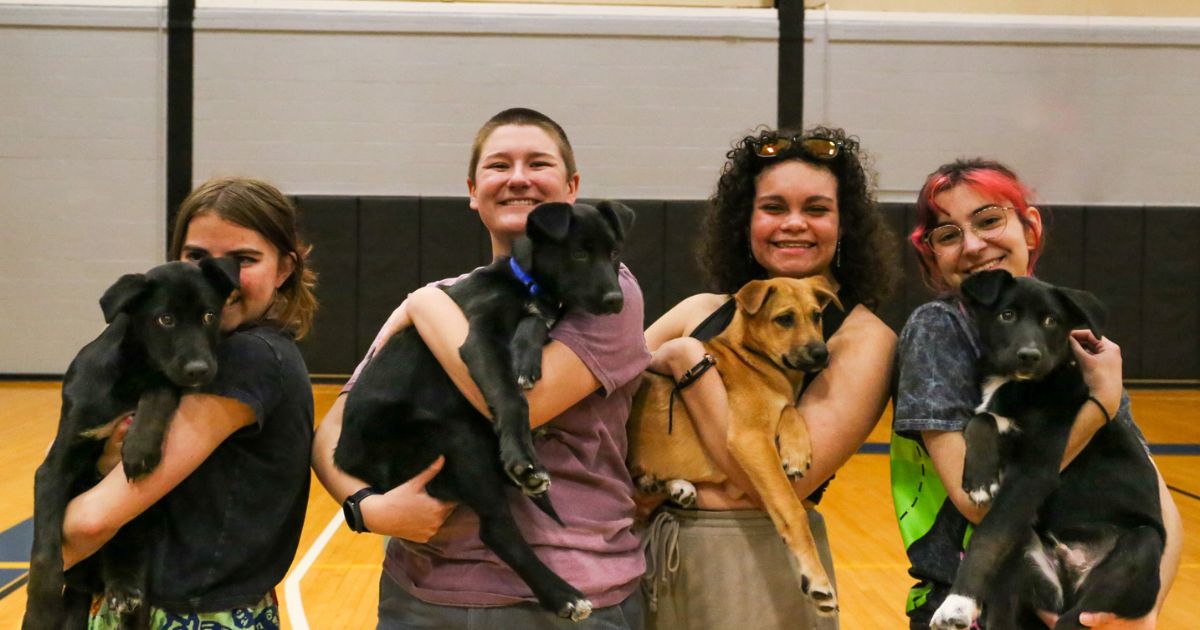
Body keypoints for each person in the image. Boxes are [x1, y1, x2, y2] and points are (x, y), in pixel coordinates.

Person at [311, 107, 651, 629]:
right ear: (473, 190)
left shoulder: (608, 292)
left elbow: (523, 404)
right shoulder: (449, 296)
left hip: (571, 594)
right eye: (499, 166)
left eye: (538, 163)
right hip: (422, 591)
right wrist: (364, 507)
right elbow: (334, 423)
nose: (518, 178)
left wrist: (423, 306)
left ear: (571, 186)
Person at [891, 158, 1183, 629]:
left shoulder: (1073, 342)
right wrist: (1100, 403)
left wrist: (1135, 611)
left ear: (1029, 228)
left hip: (1085, 600)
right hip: (978, 601)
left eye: (989, 220)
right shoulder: (939, 329)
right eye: (948, 235)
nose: (972, 244)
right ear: (932, 257)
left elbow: (1152, 500)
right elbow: (976, 502)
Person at [639, 126, 899, 629]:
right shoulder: (698, 310)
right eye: (774, 208)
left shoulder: (863, 338)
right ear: (747, 221)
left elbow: (765, 487)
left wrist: (689, 367)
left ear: (844, 225)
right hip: (645, 557)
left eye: (817, 209)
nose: (794, 224)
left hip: (759, 570)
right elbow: (600, 403)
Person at [61, 176, 318, 628]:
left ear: (284, 269)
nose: (217, 277)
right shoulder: (190, 359)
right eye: (196, 256)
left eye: (244, 260)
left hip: (190, 614)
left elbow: (93, 521)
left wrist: (48, 559)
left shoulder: (249, 356)